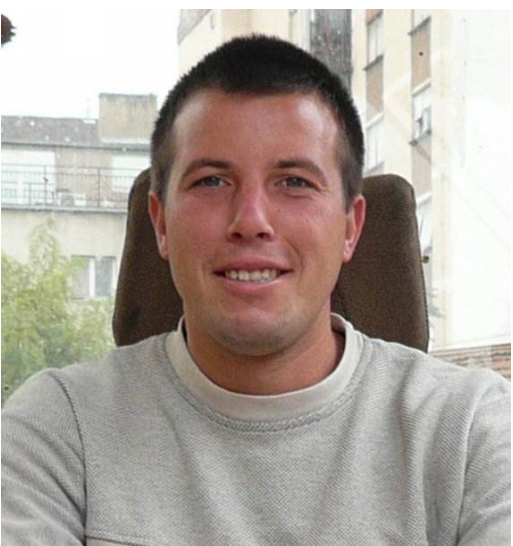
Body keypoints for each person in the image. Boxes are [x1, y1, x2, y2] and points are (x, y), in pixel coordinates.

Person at [2, 35, 510, 545]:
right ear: (160, 223)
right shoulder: (60, 428)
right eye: (211, 181)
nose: (251, 221)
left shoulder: (471, 431)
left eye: (294, 182)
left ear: (351, 227)